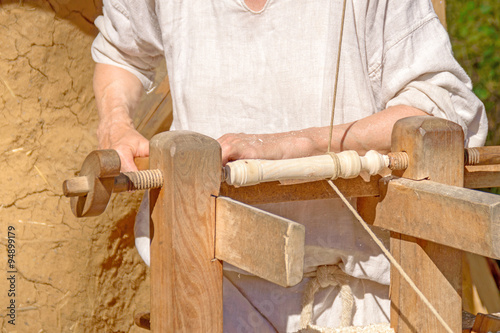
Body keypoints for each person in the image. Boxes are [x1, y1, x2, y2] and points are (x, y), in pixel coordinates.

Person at [91, 0, 487, 331]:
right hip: (204, 292)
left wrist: (300, 144)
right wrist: (115, 124)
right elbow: (120, 52)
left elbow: (442, 106)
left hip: (360, 304)